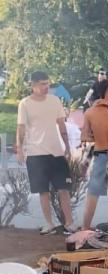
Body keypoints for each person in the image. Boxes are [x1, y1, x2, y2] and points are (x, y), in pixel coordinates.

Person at [16, 71, 74, 235]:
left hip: (56, 152)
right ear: (33, 85)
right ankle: (49, 223)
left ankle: (69, 223)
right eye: (42, 84)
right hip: (35, 152)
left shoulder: (55, 101)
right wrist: (20, 149)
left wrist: (67, 147)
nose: (46, 87)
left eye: (47, 83)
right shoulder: (25, 104)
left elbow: (62, 125)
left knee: (64, 189)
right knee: (43, 191)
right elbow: (21, 127)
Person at [80, 80, 108, 230]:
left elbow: (85, 137)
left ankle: (85, 228)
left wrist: (97, 136)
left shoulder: (90, 112)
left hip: (99, 154)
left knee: (93, 193)